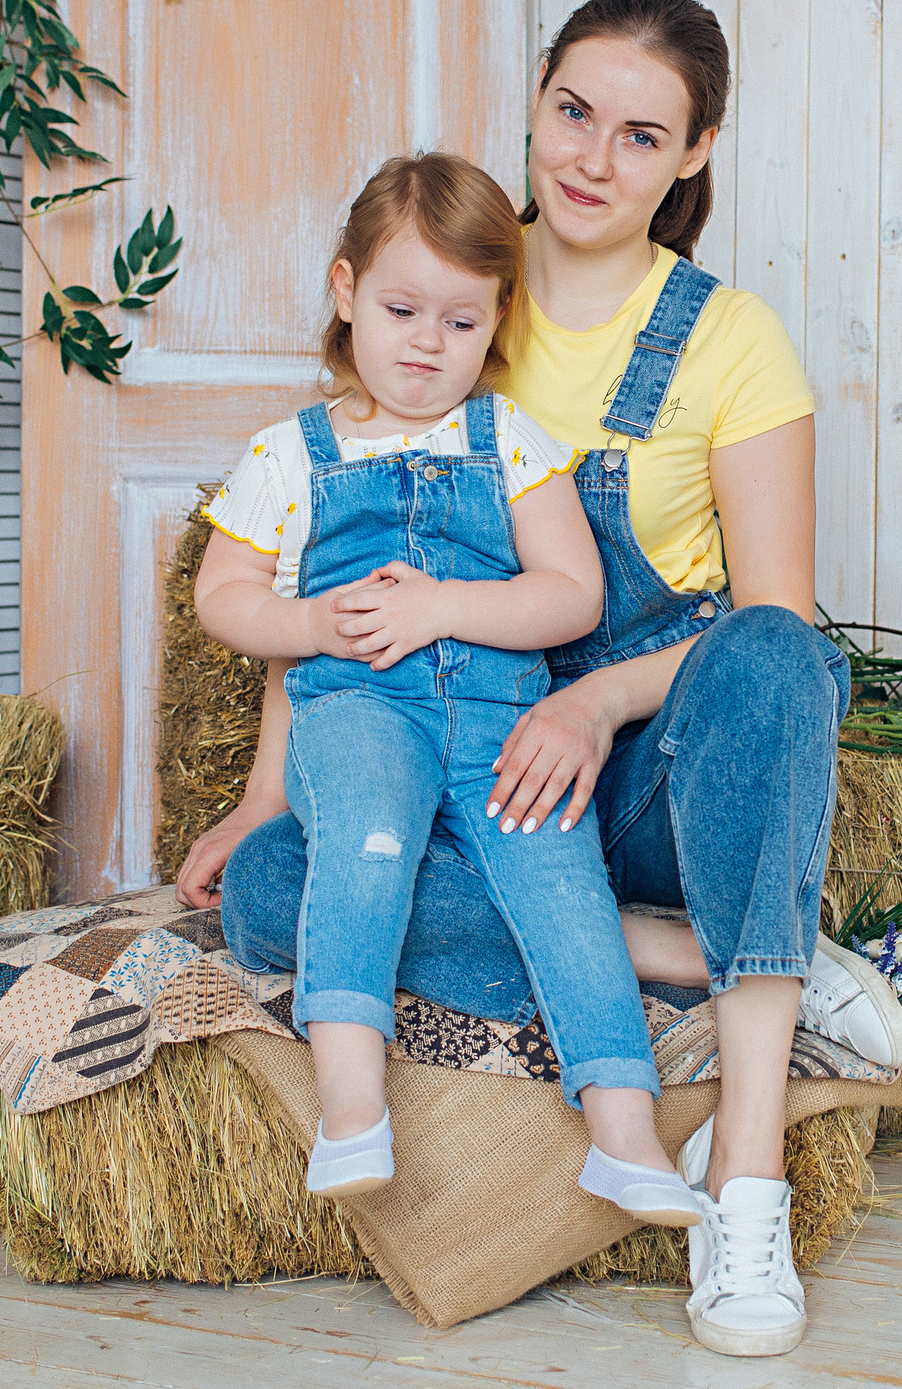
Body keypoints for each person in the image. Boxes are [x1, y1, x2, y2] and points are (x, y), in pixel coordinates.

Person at [187, 0, 902, 1359]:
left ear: (694, 156)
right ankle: (719, 958)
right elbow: (342, 591)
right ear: (534, 101)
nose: (591, 156)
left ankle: (744, 1176)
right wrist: (261, 792)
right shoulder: (450, 277)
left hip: (637, 770)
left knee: (775, 650)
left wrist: (593, 695)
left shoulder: (726, 339)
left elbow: (776, 619)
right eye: (573, 111)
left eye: (642, 136)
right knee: (278, 885)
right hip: (456, 763)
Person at [191, 151, 699, 1228]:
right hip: (362, 714)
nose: (427, 343)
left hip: (503, 725)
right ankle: (350, 1107)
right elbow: (223, 597)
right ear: (345, 293)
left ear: (498, 320)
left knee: (558, 881)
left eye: (461, 323)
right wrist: (312, 622)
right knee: (364, 845)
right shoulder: (292, 456)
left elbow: (569, 594)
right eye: (402, 308)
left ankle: (622, 1134)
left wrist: (444, 608)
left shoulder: (512, 442)